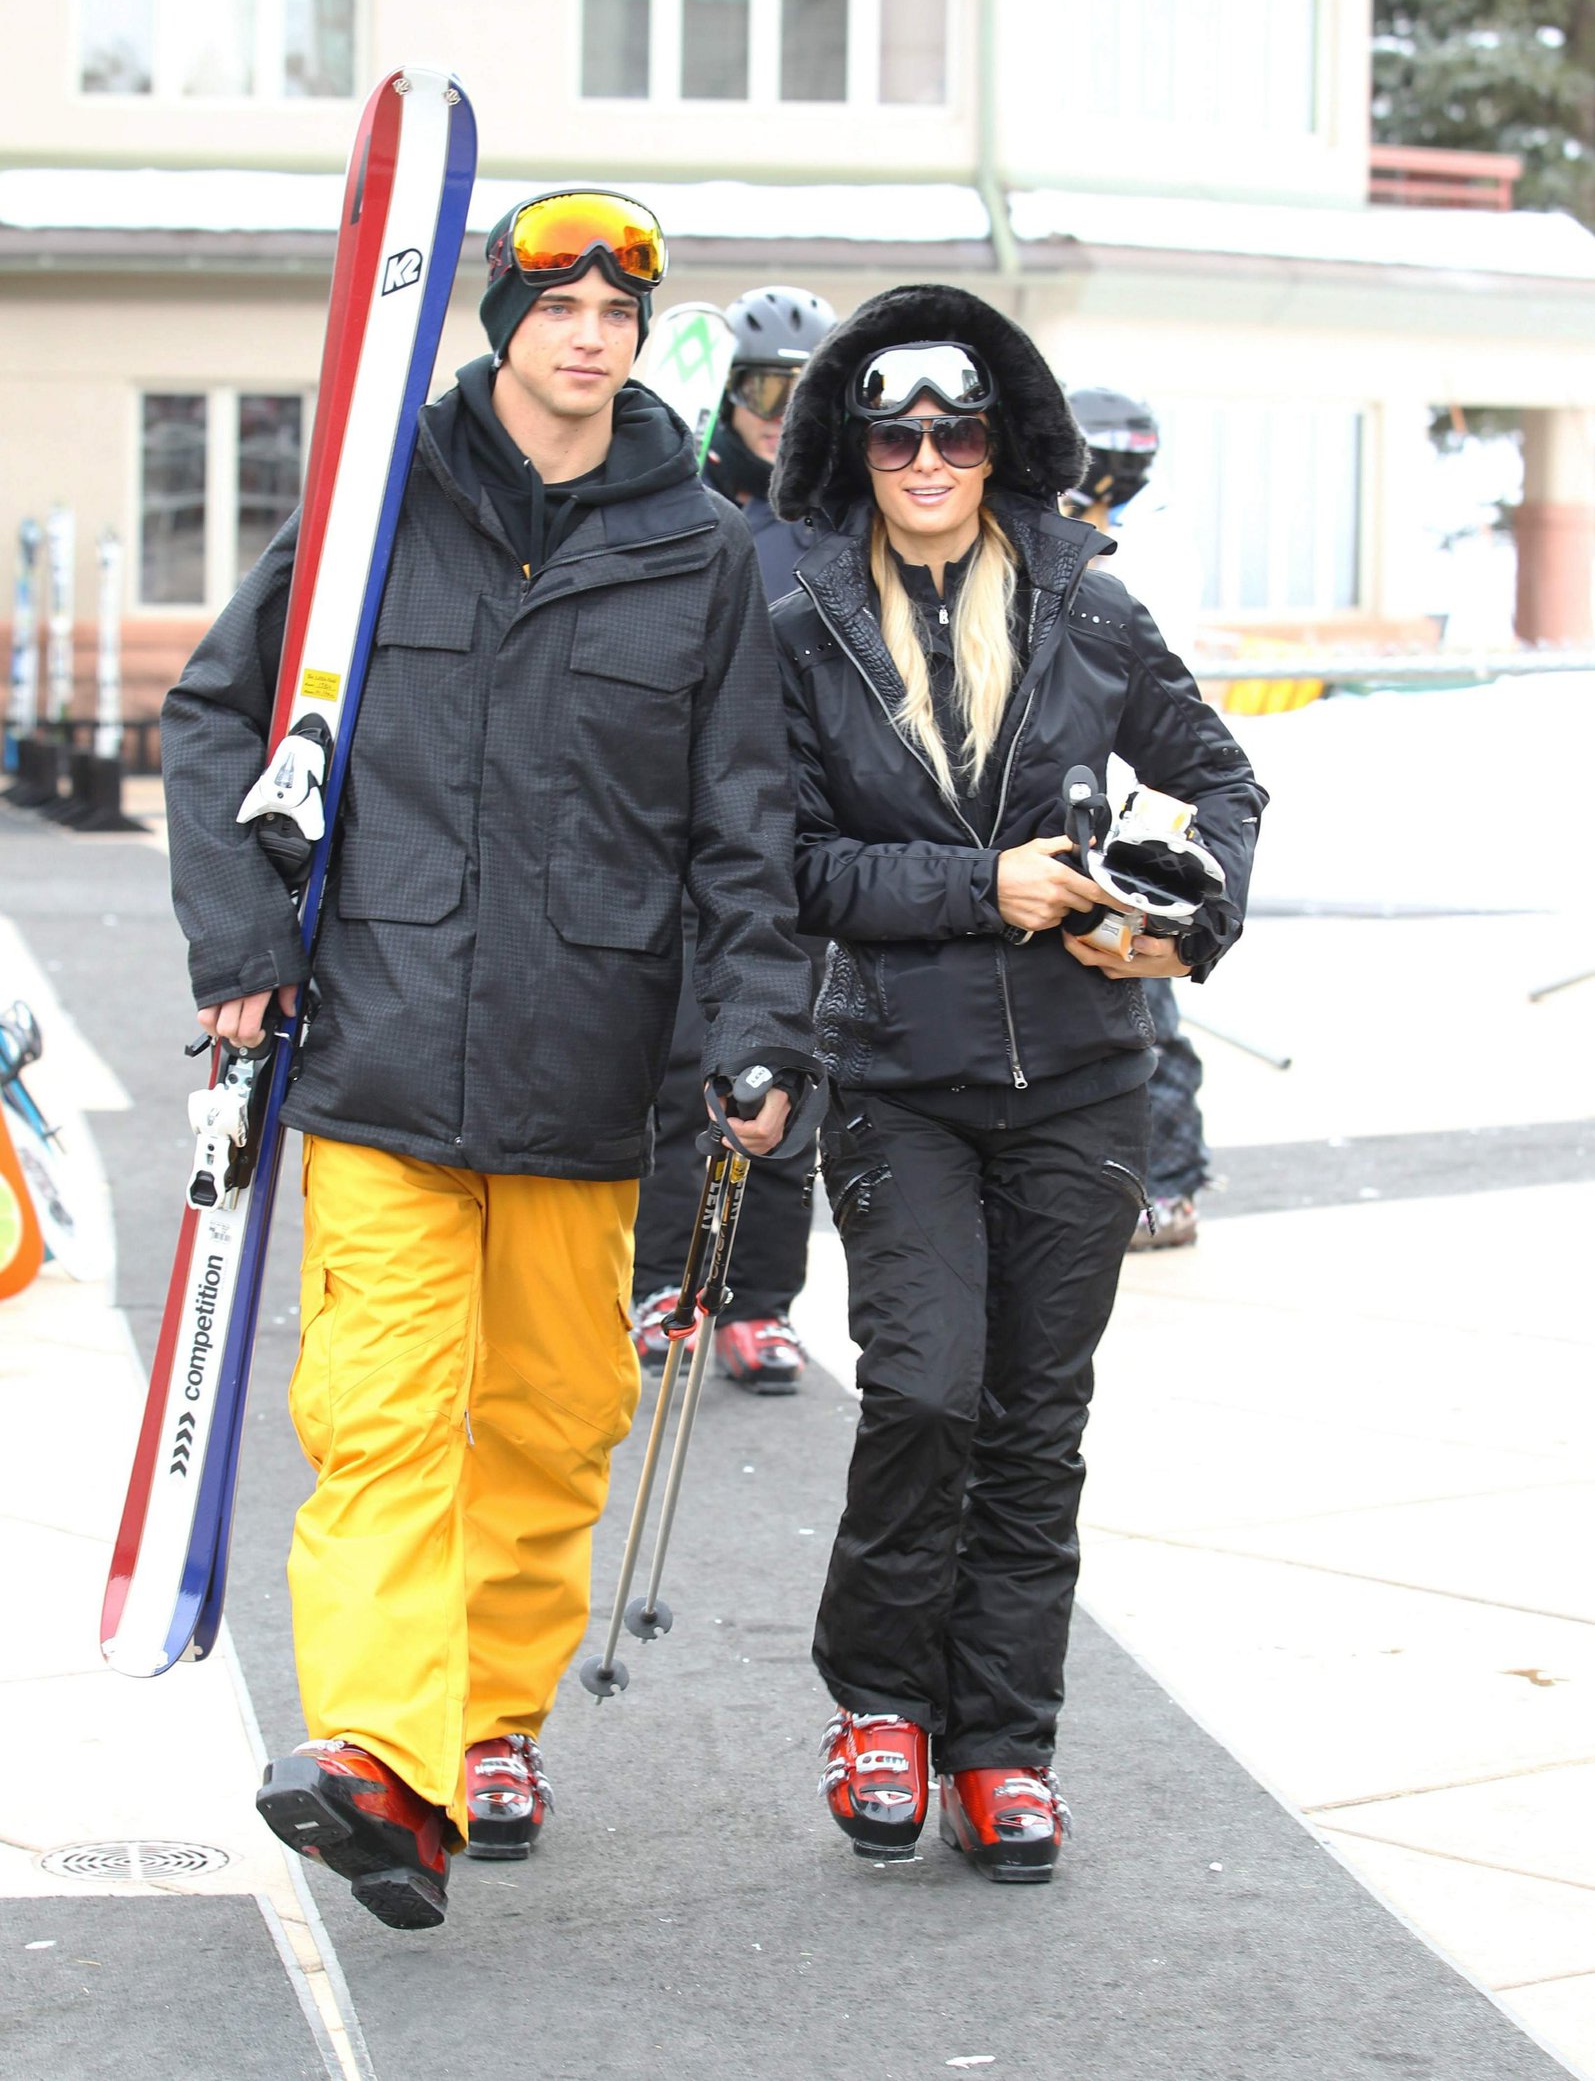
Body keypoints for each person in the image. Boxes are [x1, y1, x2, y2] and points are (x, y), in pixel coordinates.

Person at [161, 189, 818, 1930]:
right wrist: (240, 948)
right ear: (499, 321)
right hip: (375, 1046)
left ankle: (492, 1718)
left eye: (619, 307)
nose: (589, 332)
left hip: (587, 1068)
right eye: (559, 301)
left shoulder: (698, 554)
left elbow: (748, 829)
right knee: (376, 1416)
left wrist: (753, 1027)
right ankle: (382, 1751)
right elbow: (224, 712)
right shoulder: (376, 511)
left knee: (544, 1419)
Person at [767, 289, 1264, 1882]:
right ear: (857, 446)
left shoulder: (1088, 611)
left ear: (1000, 448)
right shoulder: (800, 624)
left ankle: (1001, 1743)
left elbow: (1219, 781)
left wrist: (1184, 924)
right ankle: (880, 1709)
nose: (925, 457)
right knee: (924, 1390)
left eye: (956, 431)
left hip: (1078, 1075)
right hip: (897, 1071)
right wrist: (981, 889)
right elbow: (789, 862)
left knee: (1036, 1421)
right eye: (896, 432)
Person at [631, 285, 836, 1393]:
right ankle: (668, 1281)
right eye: (761, 390)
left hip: (801, 839)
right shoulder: (690, 515)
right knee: (678, 1074)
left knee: (784, 1073)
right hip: (690, 828)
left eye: (804, 395)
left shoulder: (847, 528)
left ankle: (760, 1301)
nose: (780, 414)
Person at [1067, 387, 1210, 1250]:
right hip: (1077, 795)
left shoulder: (1147, 541)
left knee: (1143, 995)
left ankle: (1171, 1184)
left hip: (1139, 806)